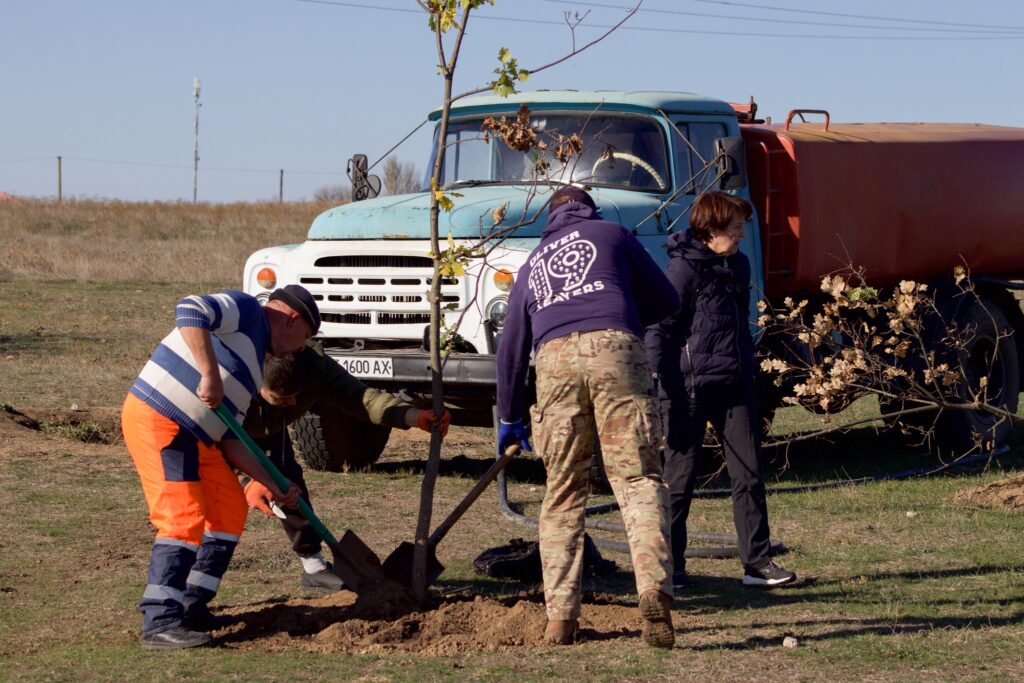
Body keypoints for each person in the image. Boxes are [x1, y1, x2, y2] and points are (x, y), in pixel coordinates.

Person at [496, 185, 680, 648]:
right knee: (637, 479)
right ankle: (653, 588)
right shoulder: (612, 234)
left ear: (549, 219)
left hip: (553, 359)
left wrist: (510, 417)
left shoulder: (532, 263)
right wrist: (623, 310)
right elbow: (667, 300)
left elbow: (511, 350)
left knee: (562, 491)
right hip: (616, 349)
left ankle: (560, 618)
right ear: (588, 210)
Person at [121, 285, 319, 651]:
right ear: (292, 320)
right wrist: (209, 374)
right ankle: (160, 619)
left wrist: (274, 484)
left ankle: (191, 604)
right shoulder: (246, 311)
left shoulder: (253, 366)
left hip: (201, 437)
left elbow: (231, 439)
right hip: (162, 419)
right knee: (183, 516)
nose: (298, 350)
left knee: (228, 509)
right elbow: (190, 310)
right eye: (303, 339)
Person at [645, 191, 796, 590]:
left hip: (735, 385)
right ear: (710, 229)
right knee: (680, 481)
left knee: (749, 473)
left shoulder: (739, 265)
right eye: (735, 228)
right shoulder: (682, 272)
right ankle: (671, 569)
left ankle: (757, 564)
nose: (742, 234)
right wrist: (657, 382)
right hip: (688, 390)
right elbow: (660, 330)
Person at [240, 344, 451, 590]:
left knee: (289, 485)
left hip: (269, 424)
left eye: (296, 396)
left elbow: (360, 398)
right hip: (222, 433)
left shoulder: (313, 367)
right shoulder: (233, 379)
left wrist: (411, 415)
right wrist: (244, 481)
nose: (292, 403)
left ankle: (314, 568)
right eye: (281, 398)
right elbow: (210, 438)